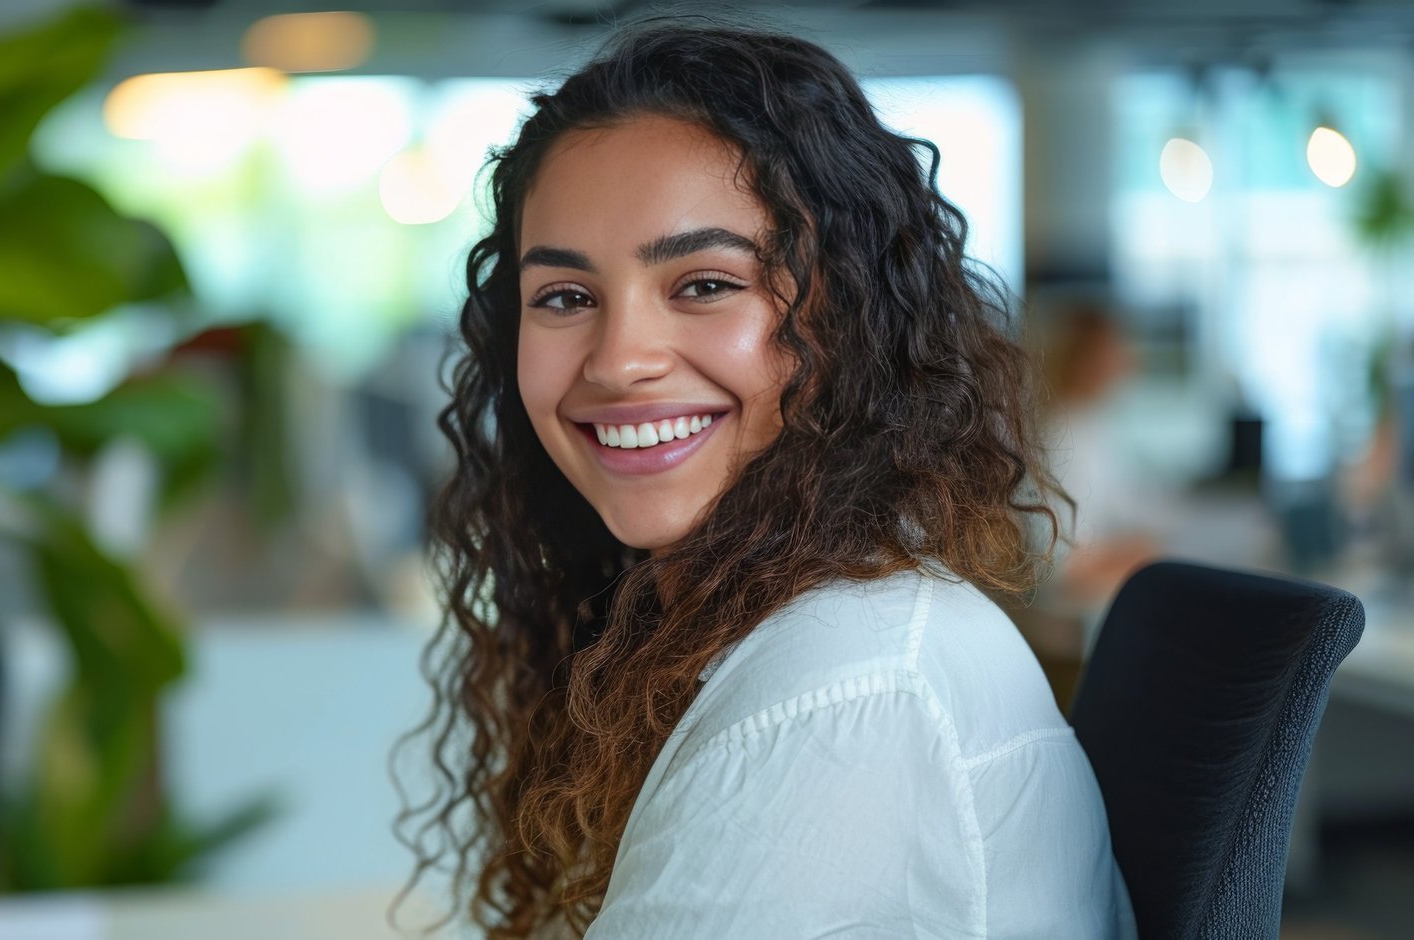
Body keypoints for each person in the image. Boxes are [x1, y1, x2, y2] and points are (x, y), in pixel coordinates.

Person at [393, 18, 1136, 940]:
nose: (619, 360)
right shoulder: (761, 631)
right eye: (566, 298)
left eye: (705, 284)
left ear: (849, 319)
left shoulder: (842, 691)